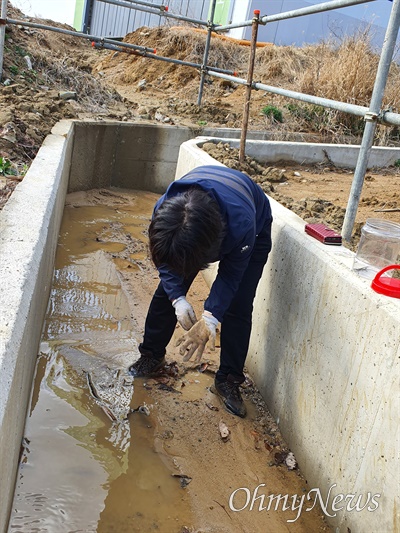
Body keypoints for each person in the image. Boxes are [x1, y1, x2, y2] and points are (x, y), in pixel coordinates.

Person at [129, 165, 272, 418]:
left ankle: (228, 379)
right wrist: (178, 299)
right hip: (206, 217)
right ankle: (151, 355)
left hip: (254, 228)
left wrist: (210, 318)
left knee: (238, 304)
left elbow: (231, 276)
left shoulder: (242, 224)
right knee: (168, 289)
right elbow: (165, 261)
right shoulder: (165, 214)